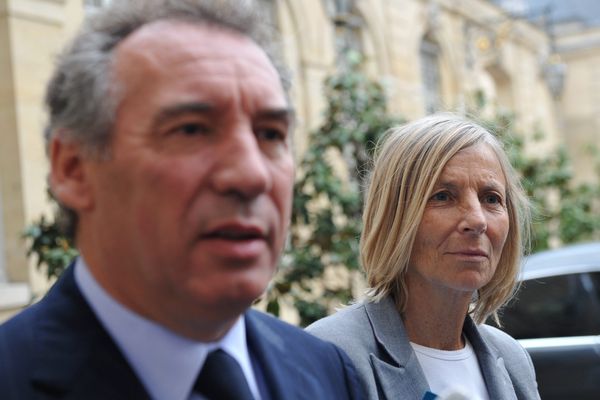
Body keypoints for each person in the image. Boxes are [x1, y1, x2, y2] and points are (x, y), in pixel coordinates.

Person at [0, 1, 365, 399]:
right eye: (192, 130)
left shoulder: (329, 373)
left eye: (271, 134)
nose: (252, 175)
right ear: (73, 168)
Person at [307, 114, 541, 399]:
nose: (477, 220)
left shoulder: (511, 358)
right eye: (443, 196)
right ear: (394, 217)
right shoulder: (328, 356)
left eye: (491, 198)